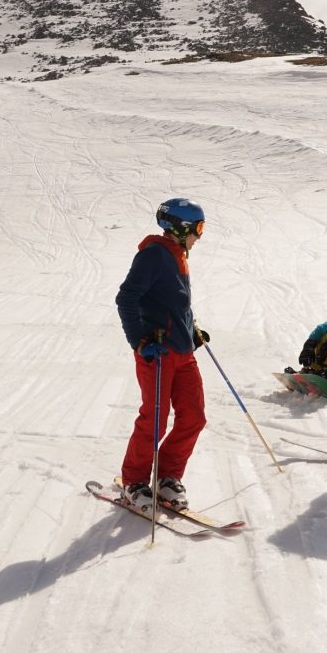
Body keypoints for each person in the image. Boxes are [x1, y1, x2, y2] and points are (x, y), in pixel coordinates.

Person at [115, 197, 210, 512]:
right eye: (198, 228)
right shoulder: (154, 255)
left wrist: (191, 329)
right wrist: (138, 342)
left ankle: (168, 477)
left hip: (183, 352)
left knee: (194, 417)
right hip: (157, 352)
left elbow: (175, 302)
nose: (200, 235)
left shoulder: (178, 254)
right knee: (154, 420)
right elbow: (126, 297)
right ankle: (134, 482)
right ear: (180, 227)